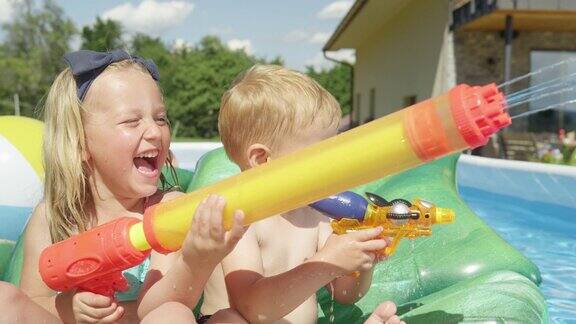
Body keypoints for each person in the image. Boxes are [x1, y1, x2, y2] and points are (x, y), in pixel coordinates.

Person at [1, 49, 246, 324]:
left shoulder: (167, 210)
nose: (155, 132)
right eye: (132, 121)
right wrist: (68, 307)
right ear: (80, 143)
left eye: (161, 118)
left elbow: (160, 306)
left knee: (173, 314)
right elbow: (32, 301)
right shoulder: (53, 218)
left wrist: (196, 259)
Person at [198, 64, 404, 324]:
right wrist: (327, 261)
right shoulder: (238, 217)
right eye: (320, 154)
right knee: (228, 320)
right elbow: (253, 308)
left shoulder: (317, 214)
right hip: (234, 321)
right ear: (262, 160)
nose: (334, 162)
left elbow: (345, 294)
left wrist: (363, 260)